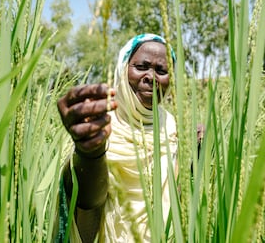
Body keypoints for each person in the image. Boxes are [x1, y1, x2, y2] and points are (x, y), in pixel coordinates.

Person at [56, 33, 178, 242]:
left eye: (162, 70)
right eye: (141, 67)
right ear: (123, 69)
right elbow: (87, 199)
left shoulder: (172, 127)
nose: (151, 77)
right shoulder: (98, 121)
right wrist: (90, 153)